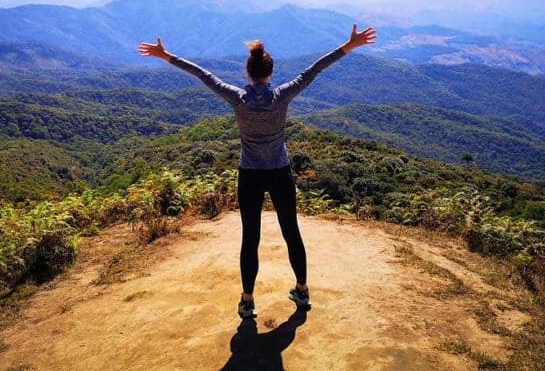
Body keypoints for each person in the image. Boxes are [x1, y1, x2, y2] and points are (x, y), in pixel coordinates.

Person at [138, 24, 377, 318]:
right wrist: (348, 46)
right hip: (280, 172)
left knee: (250, 238)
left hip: (249, 174)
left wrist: (167, 56)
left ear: (248, 73)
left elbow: (203, 75)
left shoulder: (238, 98)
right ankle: (302, 291)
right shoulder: (282, 96)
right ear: (271, 73)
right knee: (292, 232)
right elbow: (313, 71)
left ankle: (248, 300)